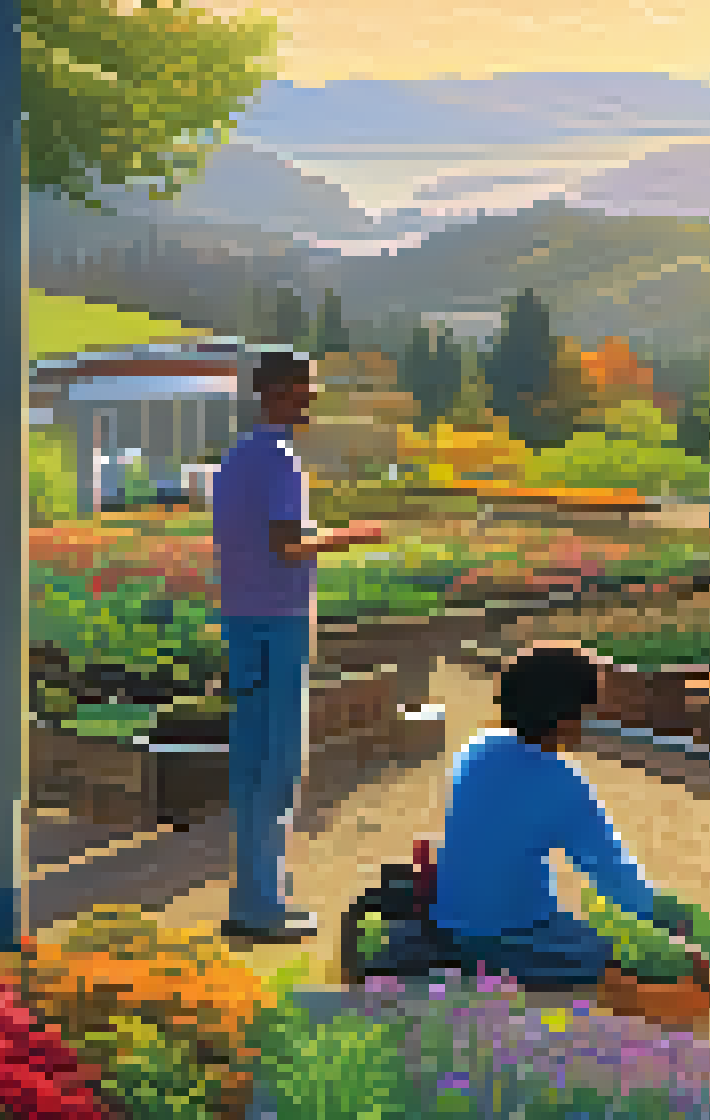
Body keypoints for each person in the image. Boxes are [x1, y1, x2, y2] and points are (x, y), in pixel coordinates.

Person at [212, 349, 387, 943]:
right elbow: (288, 544)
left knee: (253, 762)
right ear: (281, 391)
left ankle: (259, 896)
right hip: (275, 625)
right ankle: (261, 907)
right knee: (278, 764)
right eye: (307, 388)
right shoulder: (278, 459)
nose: (313, 397)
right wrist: (351, 536)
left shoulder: (238, 457)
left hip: (244, 621)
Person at [432, 643, 674, 988]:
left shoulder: (474, 751)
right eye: (585, 712)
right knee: (636, 964)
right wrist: (665, 917)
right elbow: (612, 874)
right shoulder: (561, 781)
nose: (587, 722)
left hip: (450, 920)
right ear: (564, 717)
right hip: (510, 937)